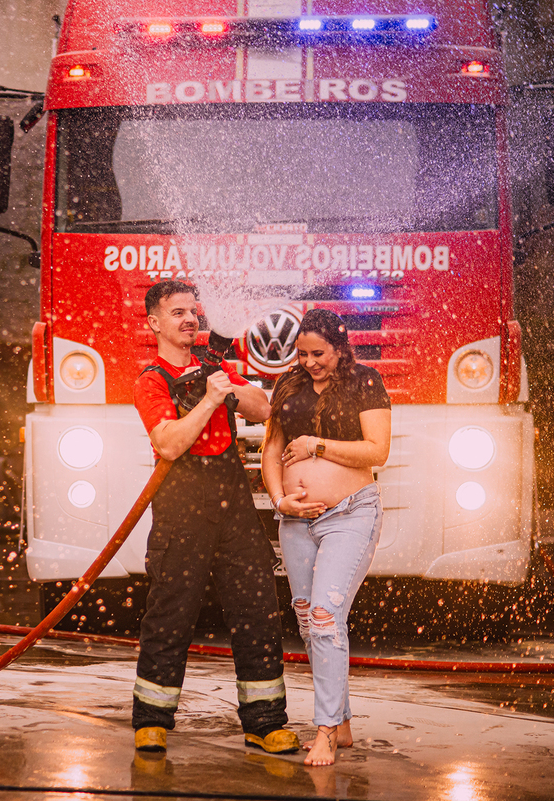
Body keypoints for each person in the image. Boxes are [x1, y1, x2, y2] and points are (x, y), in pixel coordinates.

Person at [131, 280, 299, 755]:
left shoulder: (216, 368)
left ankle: (265, 722)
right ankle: (152, 720)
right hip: (182, 512)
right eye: (177, 312)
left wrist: (225, 388)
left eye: (193, 312)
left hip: (234, 513)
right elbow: (168, 443)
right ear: (155, 323)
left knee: (257, 612)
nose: (189, 319)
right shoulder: (152, 380)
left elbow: (264, 409)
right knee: (171, 614)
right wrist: (206, 399)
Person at [260, 308, 392, 767]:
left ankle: (326, 733)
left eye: (319, 354)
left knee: (323, 617)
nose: (310, 362)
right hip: (296, 520)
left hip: (350, 514)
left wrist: (317, 445)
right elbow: (272, 448)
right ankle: (343, 719)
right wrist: (280, 501)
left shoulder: (365, 382)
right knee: (305, 619)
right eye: (302, 354)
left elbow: (378, 451)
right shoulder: (290, 384)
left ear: (340, 348)